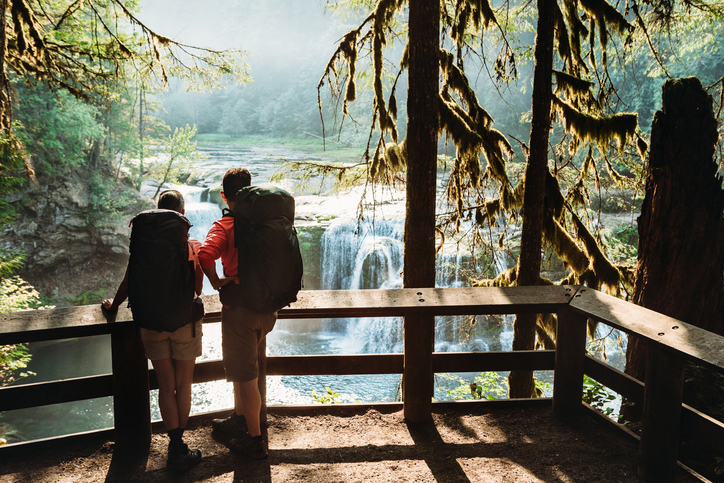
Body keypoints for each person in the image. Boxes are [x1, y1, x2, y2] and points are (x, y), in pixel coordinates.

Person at [102, 190, 204, 471]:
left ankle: (174, 444)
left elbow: (128, 281)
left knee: (165, 385)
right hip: (184, 322)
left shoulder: (143, 244)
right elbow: (197, 289)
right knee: (183, 385)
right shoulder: (190, 245)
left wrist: (114, 306)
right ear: (181, 214)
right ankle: (178, 449)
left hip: (150, 323)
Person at [198, 167, 276, 460]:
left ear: (224, 195)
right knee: (247, 369)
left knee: (245, 377)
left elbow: (205, 255)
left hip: (240, 311)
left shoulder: (225, 226)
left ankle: (254, 442)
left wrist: (216, 281)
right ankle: (240, 419)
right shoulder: (266, 222)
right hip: (266, 309)